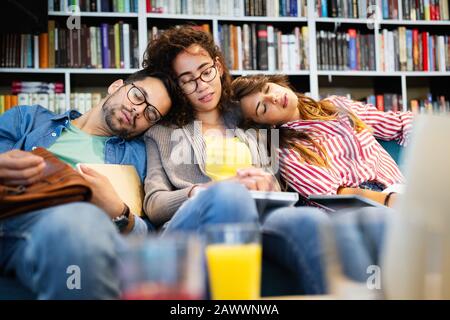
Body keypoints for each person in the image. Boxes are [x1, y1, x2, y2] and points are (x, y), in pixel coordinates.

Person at [142, 26, 331, 295]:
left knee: (309, 222)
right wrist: (204, 191)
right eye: (187, 80)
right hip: (194, 223)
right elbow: (154, 203)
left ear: (218, 66)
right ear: (177, 86)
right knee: (228, 197)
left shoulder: (246, 116)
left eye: (206, 72)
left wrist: (268, 184)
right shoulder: (161, 132)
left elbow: (276, 180)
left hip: (259, 219)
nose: (202, 86)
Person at [0, 70, 175, 299]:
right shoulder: (27, 119)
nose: (138, 110)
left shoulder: (141, 157)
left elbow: (151, 238)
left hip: (78, 233)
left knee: (82, 222)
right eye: (138, 96)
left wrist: (121, 214)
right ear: (116, 86)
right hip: (11, 216)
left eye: (151, 114)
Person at [231, 74, 415, 207]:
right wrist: (392, 201)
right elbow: (335, 196)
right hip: (371, 206)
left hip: (404, 188)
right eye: (263, 107)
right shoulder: (286, 152)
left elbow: (399, 124)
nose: (273, 98)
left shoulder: (338, 106)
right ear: (266, 125)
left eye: (267, 89)